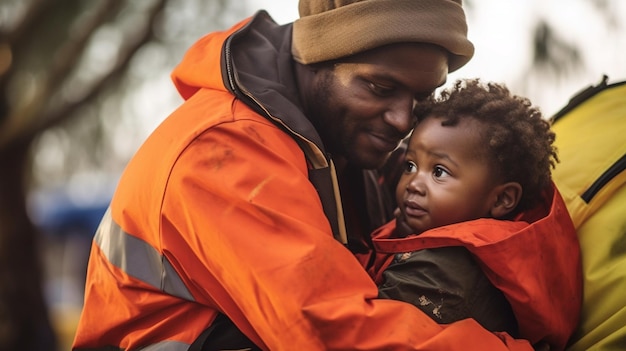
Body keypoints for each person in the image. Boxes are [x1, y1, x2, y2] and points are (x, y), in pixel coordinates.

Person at [73, 1, 543, 350]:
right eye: (381, 87)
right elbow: (331, 335)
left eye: (421, 98)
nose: (403, 120)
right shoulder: (225, 150)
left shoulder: (342, 146)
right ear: (317, 58)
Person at [367, 79, 582, 351]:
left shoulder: (441, 270)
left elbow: (368, 330)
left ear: (502, 199)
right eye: (411, 165)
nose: (414, 183)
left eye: (439, 172)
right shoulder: (449, 246)